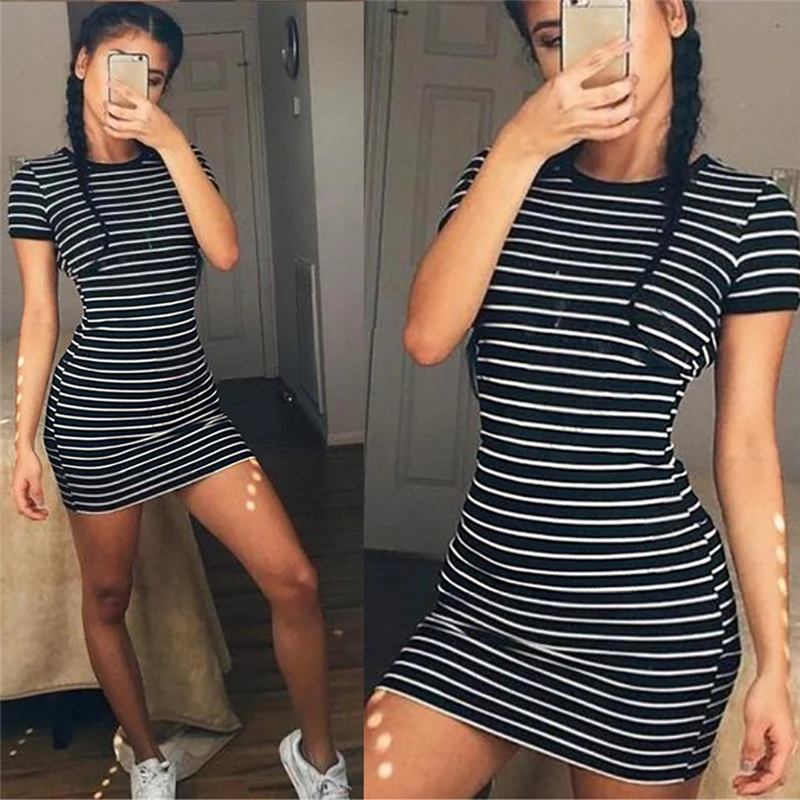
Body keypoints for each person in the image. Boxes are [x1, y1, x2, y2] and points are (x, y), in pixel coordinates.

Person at [364, 1, 798, 798]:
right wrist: (521, 145)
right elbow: (426, 337)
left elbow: (745, 445)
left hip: (649, 632)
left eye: (604, 11)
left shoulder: (749, 216)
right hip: (486, 604)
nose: (583, 50)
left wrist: (776, 662)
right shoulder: (502, 176)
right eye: (551, 37)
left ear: (673, 12)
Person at [7, 3, 350, 798]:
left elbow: (224, 252)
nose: (136, 87)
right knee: (108, 598)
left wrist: (167, 142)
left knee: (296, 580)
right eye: (120, 63)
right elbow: (40, 318)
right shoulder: (41, 183)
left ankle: (318, 759)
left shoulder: (179, 157)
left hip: (190, 418)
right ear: (81, 63)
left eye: (155, 78)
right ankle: (148, 756)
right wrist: (22, 441)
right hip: (94, 421)